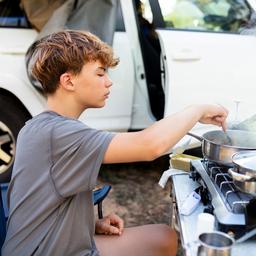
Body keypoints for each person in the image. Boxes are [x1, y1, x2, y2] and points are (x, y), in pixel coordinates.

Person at [2, 30, 228, 256]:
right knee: (164, 238)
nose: (109, 82)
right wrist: (198, 110)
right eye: (100, 74)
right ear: (68, 81)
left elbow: (36, 204)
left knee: (163, 237)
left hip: (36, 246)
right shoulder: (60, 134)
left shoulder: (36, 128)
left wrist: (88, 225)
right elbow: (149, 146)